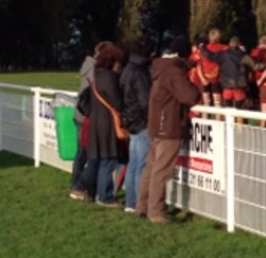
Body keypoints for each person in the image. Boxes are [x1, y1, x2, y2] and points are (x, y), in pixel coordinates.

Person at [138, 36, 199, 224]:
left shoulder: (161, 68)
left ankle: (143, 206)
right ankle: (156, 212)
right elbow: (190, 96)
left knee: (151, 167)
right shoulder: (172, 71)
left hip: (157, 123)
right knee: (161, 170)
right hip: (168, 125)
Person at [79, 42, 125, 207]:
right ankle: (104, 196)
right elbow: (118, 103)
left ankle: (83, 186)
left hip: (97, 122)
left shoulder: (97, 76)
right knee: (108, 160)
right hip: (107, 124)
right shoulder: (109, 78)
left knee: (98, 160)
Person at [119, 36, 152, 214]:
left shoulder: (128, 68)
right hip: (141, 122)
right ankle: (140, 204)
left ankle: (130, 203)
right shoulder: (140, 72)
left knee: (133, 164)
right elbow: (145, 100)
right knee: (141, 165)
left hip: (131, 121)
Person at [69, 44, 101, 200]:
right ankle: (79, 187)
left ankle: (77, 185)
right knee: (86, 154)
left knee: (81, 155)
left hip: (80, 115)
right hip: (86, 117)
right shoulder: (96, 72)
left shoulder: (88, 68)